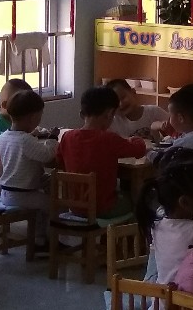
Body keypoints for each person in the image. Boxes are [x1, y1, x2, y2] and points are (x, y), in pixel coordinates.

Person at [57, 85, 146, 220]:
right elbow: (139, 150)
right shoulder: (109, 138)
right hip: (104, 208)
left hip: (74, 207)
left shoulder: (67, 137)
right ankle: (131, 232)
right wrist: (135, 138)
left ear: (82, 113)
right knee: (136, 199)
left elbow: (58, 161)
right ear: (109, 114)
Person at [0, 89, 57, 240]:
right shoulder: (25, 140)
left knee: (47, 182)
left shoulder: (3, 138)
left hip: (6, 192)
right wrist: (53, 138)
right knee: (53, 205)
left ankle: (38, 233)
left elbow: (2, 169)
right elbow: (47, 155)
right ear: (33, 118)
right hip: (23, 195)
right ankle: (46, 239)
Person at [134, 154, 193, 286]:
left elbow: (160, 210)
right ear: (185, 202)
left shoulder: (157, 223)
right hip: (185, 298)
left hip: (160, 296)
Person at [0, 78, 32, 168]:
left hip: (16, 163)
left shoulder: (17, 121)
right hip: (1, 168)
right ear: (4, 105)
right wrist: (13, 134)